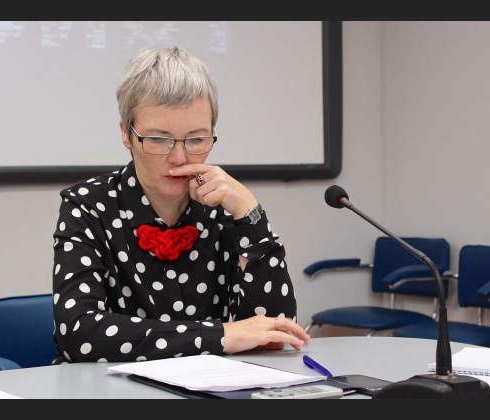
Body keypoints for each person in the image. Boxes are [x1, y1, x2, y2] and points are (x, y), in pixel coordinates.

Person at [51, 46, 309, 364]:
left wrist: (250, 213)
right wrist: (220, 336)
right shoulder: (88, 206)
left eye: (196, 139)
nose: (179, 158)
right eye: (159, 139)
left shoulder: (225, 208)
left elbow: (274, 332)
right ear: (126, 134)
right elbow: (78, 333)